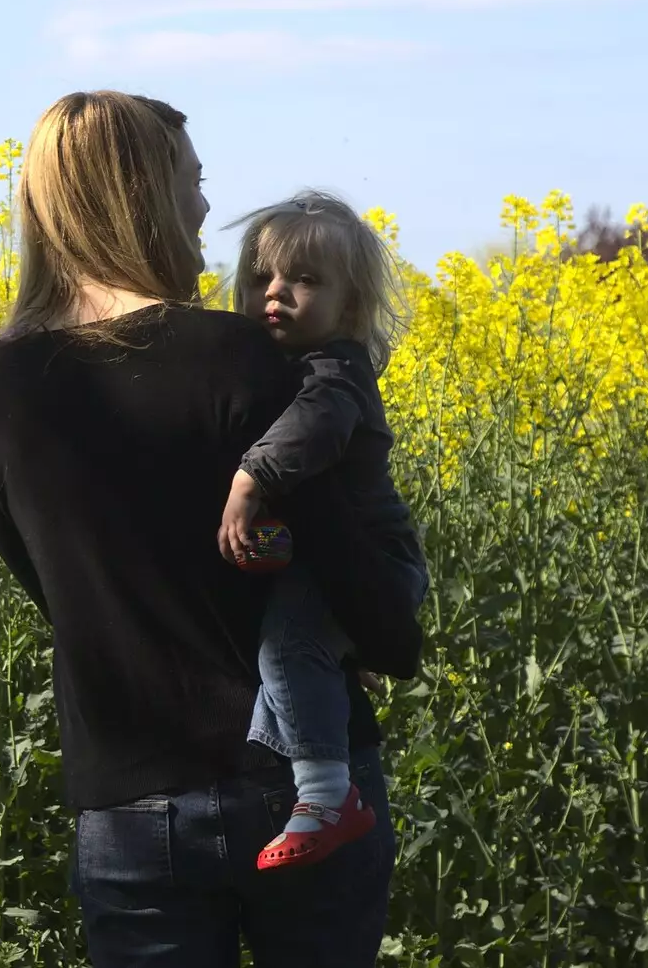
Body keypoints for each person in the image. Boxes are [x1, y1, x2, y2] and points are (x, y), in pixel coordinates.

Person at [0, 91, 425, 966]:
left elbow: (52, 586)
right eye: (191, 182)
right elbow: (356, 579)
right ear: (140, 195)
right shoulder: (243, 354)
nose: (206, 207)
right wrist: (394, 627)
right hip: (299, 785)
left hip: (131, 799)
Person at [216, 192, 430, 871]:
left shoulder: (336, 371)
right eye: (260, 277)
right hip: (329, 560)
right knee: (282, 646)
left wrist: (251, 478)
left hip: (378, 559)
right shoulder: (286, 368)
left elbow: (317, 427)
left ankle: (328, 796)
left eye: (305, 280)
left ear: (350, 309)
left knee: (287, 647)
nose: (275, 292)